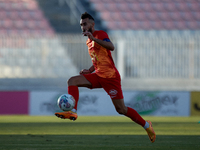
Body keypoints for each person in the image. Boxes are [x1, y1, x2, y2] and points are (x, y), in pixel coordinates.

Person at [55, 12, 156, 143]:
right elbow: (97, 59)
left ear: (92, 24)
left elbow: (111, 47)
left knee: (121, 109)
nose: (83, 27)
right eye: (81, 25)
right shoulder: (88, 41)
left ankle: (147, 126)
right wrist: (89, 70)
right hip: (97, 75)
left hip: (110, 77)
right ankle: (73, 111)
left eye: (85, 24)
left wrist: (94, 39)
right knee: (72, 81)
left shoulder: (100, 34)